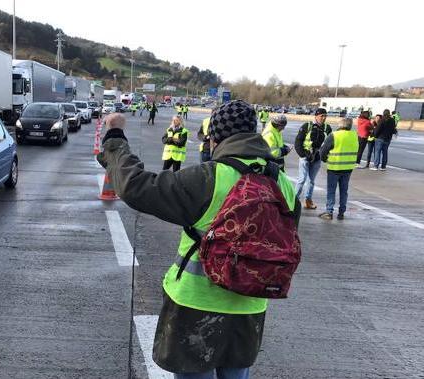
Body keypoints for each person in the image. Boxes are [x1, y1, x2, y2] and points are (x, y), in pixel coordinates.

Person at [96, 101, 300, 379]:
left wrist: (116, 139)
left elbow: (137, 187)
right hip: (251, 306)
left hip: (196, 305)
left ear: (215, 138)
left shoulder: (209, 177)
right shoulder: (283, 184)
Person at [318, 118, 358, 220]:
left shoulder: (335, 135)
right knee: (344, 191)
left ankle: (329, 212)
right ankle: (341, 213)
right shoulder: (354, 135)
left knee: (331, 191)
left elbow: (323, 150)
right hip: (348, 168)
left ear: (340, 125)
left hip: (334, 167)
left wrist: (324, 159)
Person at [294, 108, 332, 210]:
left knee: (311, 181)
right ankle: (293, 200)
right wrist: (303, 154)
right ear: (316, 116)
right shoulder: (307, 126)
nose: (323, 118)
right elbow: (298, 141)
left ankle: (308, 200)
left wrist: (323, 156)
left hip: (317, 157)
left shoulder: (327, 128)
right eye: (321, 116)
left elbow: (329, 144)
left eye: (325, 116)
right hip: (306, 156)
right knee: (302, 179)